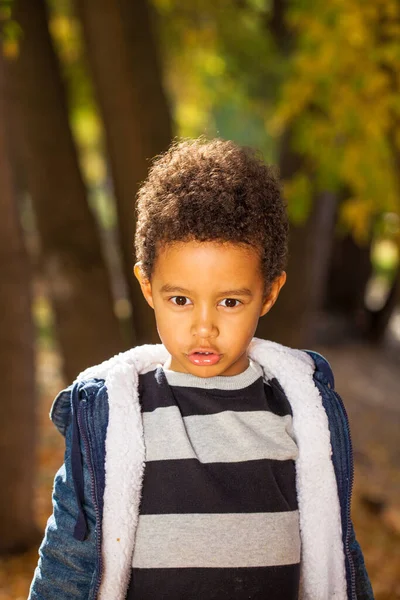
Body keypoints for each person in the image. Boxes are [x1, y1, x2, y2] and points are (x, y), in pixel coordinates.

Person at [28, 138, 374, 600]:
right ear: (147, 287)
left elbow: (339, 553)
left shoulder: (301, 414)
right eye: (180, 300)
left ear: (269, 293)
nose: (204, 327)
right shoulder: (112, 418)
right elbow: (67, 562)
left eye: (230, 302)